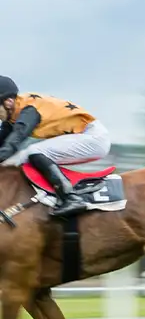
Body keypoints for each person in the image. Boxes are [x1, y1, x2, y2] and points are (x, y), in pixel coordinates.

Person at [0, 75, 111, 218]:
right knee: (19, 158)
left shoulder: (29, 111)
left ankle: (71, 198)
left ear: (8, 102)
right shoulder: (13, 114)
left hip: (93, 138)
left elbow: (14, 142)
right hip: (83, 136)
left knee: (33, 152)